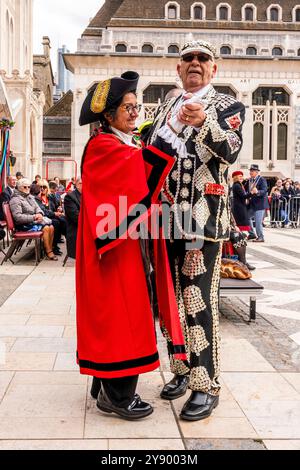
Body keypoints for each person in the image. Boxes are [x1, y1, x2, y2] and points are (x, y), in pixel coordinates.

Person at [77, 71, 185, 421]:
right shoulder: (104, 145)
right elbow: (136, 175)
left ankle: (105, 383)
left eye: (137, 106)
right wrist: (171, 135)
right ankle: (118, 397)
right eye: (128, 107)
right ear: (108, 115)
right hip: (113, 250)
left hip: (127, 244)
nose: (136, 112)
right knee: (121, 314)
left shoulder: (123, 141)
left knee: (120, 313)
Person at [147, 40, 245, 421]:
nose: (195, 63)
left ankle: (206, 383)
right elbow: (152, 148)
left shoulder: (227, 105)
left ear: (213, 69)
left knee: (197, 299)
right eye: (187, 58)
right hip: (167, 217)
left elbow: (231, 150)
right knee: (169, 300)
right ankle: (182, 370)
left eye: (203, 59)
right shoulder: (165, 106)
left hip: (203, 220)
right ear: (178, 67)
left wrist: (204, 122)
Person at [9, 178, 58, 261]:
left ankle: (48, 249)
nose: (27, 189)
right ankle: (49, 251)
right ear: (19, 187)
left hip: (33, 221)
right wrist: (34, 217)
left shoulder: (29, 197)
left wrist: (39, 214)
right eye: (25, 187)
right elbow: (18, 218)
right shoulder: (15, 199)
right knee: (46, 228)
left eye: (29, 187)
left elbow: (38, 208)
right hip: (23, 225)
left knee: (51, 226)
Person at [231, 171, 255, 271]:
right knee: (241, 232)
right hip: (239, 210)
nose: (242, 177)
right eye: (240, 176)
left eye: (242, 176)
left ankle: (243, 260)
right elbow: (243, 196)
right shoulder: (236, 185)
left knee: (243, 233)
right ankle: (242, 261)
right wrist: (252, 193)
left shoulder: (239, 184)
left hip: (241, 208)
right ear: (236, 177)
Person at [244, 165, 269, 243]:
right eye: (250, 170)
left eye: (252, 171)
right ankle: (252, 234)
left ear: (257, 172)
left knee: (258, 222)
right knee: (246, 218)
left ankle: (261, 237)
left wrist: (258, 191)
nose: (250, 172)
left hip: (259, 204)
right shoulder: (249, 180)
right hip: (251, 204)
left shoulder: (261, 180)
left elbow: (265, 190)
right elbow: (246, 190)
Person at [63, 177, 82, 259]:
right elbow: (76, 217)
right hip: (77, 228)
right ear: (77, 185)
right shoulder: (70, 197)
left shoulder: (89, 195)